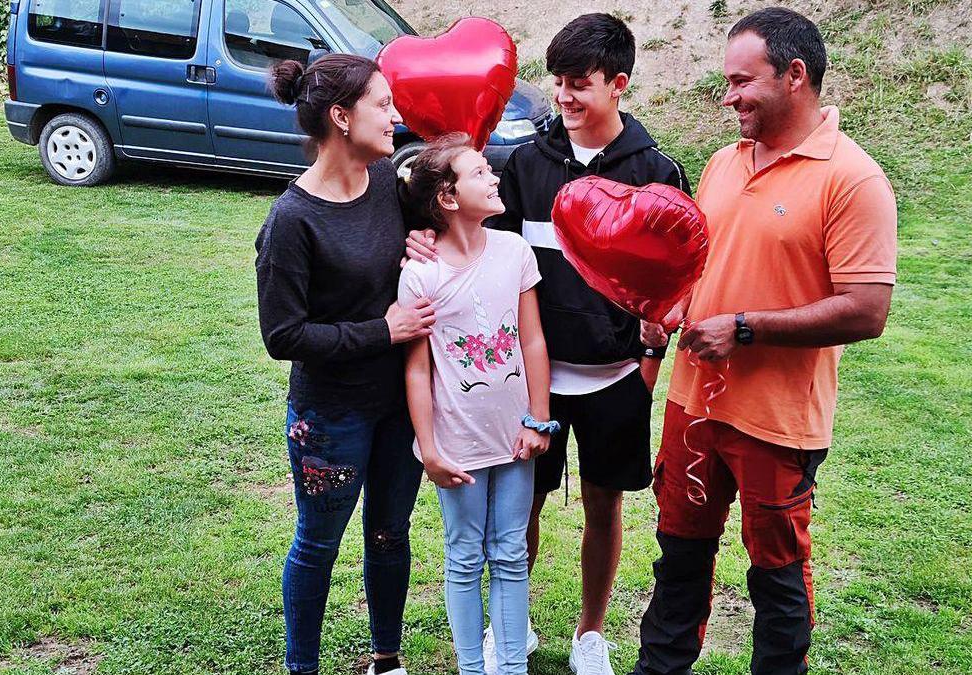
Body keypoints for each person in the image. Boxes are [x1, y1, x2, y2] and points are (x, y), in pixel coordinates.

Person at [407, 14, 689, 675]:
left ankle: (591, 634)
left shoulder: (657, 171)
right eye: (557, 81)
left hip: (616, 377)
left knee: (603, 502)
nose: (563, 95)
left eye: (579, 83)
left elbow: (678, 280)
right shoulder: (527, 163)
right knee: (520, 504)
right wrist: (420, 234)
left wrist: (648, 360)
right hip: (526, 383)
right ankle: (517, 621)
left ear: (618, 84)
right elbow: (460, 216)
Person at [631, 8, 898, 675]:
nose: (729, 97)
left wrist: (744, 328)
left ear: (795, 75)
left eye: (742, 81)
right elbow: (705, 266)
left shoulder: (853, 178)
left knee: (776, 580)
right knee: (678, 560)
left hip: (776, 421)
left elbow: (867, 310)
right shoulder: (723, 163)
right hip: (694, 406)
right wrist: (675, 305)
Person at [255, 53, 434, 675]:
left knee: (390, 532)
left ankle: (386, 661)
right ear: (340, 116)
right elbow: (283, 334)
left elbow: (422, 240)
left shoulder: (387, 181)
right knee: (318, 543)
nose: (395, 115)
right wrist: (381, 331)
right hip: (330, 415)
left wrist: (424, 239)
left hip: (400, 405)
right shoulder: (292, 220)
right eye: (382, 105)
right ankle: (301, 666)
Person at [398, 133, 553, 675]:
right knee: (463, 556)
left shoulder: (514, 250)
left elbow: (532, 340)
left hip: (515, 436)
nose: (494, 178)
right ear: (447, 197)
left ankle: (510, 667)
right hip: (456, 441)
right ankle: (471, 667)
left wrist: (539, 420)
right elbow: (418, 367)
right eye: (481, 172)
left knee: (511, 553)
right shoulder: (420, 272)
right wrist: (430, 447)